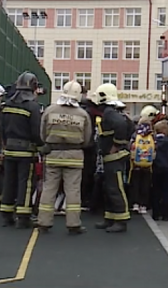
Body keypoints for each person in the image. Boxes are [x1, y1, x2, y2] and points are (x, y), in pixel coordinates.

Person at [36, 81, 92, 235]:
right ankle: (73, 224)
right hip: (74, 156)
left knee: (49, 189)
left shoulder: (50, 110)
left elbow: (42, 134)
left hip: (53, 155)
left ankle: (44, 222)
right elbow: (87, 138)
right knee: (73, 190)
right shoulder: (82, 114)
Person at [0, 72, 44, 229]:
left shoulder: (7, 104)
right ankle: (23, 216)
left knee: (9, 182)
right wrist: (42, 147)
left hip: (9, 149)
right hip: (26, 152)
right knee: (25, 183)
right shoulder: (32, 106)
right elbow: (36, 131)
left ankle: (6, 215)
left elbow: (2, 128)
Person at [92, 83, 132, 233]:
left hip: (114, 157)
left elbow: (121, 125)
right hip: (112, 157)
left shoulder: (110, 113)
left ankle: (121, 221)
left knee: (115, 188)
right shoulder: (113, 111)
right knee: (109, 188)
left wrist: (116, 144)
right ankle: (110, 217)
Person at [151, 120, 168, 221]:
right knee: (167, 191)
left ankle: (155, 213)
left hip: (156, 169)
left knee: (156, 191)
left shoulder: (153, 142)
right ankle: (166, 214)